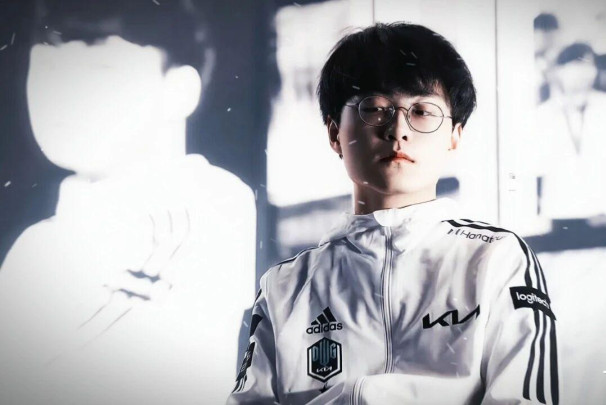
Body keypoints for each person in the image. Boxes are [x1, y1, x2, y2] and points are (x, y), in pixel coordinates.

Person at [227, 23, 561, 405]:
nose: (398, 130)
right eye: (375, 109)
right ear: (335, 134)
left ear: (455, 135)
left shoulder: (496, 259)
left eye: (422, 111)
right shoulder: (284, 286)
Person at [0, 1, 256, 404]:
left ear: (179, 90)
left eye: (100, 72)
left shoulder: (202, 202)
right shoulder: (33, 248)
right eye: (47, 70)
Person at [534, 43, 606, 219]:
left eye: (589, 66)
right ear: (559, 71)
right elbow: (537, 168)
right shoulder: (543, 114)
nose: (584, 73)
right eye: (576, 65)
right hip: (561, 211)